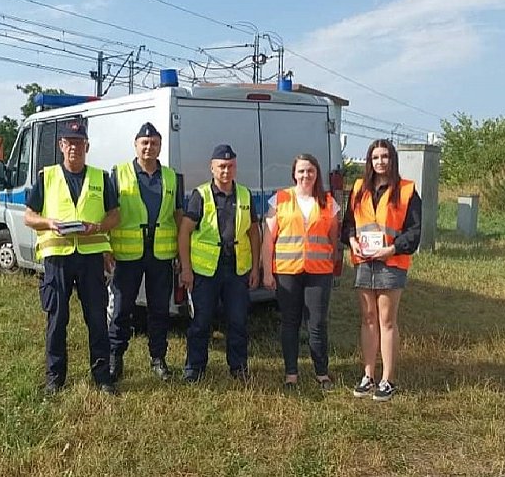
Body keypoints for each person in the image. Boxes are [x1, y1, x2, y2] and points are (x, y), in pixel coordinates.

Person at [24, 117, 121, 396]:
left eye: (79, 143)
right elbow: (30, 216)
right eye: (69, 143)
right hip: (58, 258)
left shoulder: (101, 178)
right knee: (57, 320)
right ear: (61, 145)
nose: (74, 148)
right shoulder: (48, 176)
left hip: (91, 258)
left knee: (96, 320)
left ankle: (102, 377)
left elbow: (115, 214)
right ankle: (55, 378)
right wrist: (49, 222)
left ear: (87, 146)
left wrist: (99, 227)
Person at [343, 139, 422, 401]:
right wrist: (352, 240)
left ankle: (387, 379)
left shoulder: (407, 190)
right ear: (369, 161)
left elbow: (414, 232)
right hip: (364, 261)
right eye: (375, 157)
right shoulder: (358, 188)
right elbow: (348, 225)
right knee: (367, 319)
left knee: (386, 321)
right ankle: (368, 375)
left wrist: (391, 249)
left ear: (392, 159)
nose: (380, 162)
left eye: (385, 157)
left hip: (391, 262)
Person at [178, 144, 261, 382]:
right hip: (205, 270)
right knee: (201, 322)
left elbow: (254, 233)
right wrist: (186, 269)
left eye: (231, 166)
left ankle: (239, 368)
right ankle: (194, 368)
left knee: (238, 321)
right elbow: (184, 232)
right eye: (222, 166)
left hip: (236, 269)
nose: (226, 170)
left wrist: (256, 267)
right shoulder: (200, 195)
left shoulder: (245, 194)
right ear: (212, 168)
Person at [108, 122, 182, 382]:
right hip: (128, 255)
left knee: (159, 310)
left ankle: (158, 358)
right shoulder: (118, 174)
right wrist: (107, 249)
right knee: (121, 309)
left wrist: (182, 255)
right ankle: (115, 358)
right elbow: (109, 214)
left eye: (155, 143)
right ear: (136, 145)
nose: (150, 147)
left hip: (161, 255)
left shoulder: (172, 177)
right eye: (145, 143)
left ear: (160, 146)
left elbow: (179, 215)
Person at [262, 154, 340, 391]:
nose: (306, 175)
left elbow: (334, 239)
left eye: (311, 171)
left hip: (319, 272)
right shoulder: (280, 199)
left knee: (317, 324)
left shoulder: (329, 202)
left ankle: (321, 373)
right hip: (287, 272)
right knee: (290, 323)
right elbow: (268, 240)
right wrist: (267, 271)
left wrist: (336, 265)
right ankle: (291, 374)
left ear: (317, 174)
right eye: (302, 171)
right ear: (294, 174)